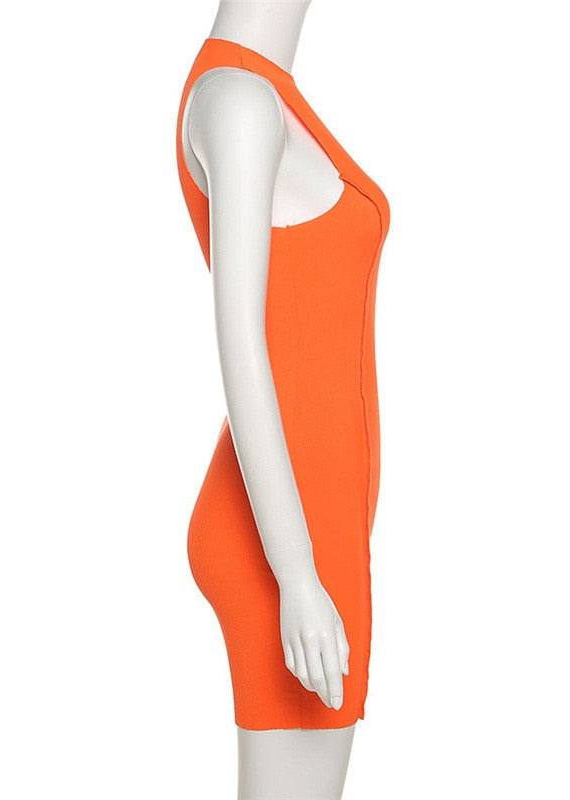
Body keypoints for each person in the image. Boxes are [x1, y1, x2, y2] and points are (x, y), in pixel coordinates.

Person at [175, 2, 391, 797]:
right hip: (288, 538)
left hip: (315, 519)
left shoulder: (265, 92)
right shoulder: (239, 101)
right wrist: (297, 573)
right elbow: (240, 342)